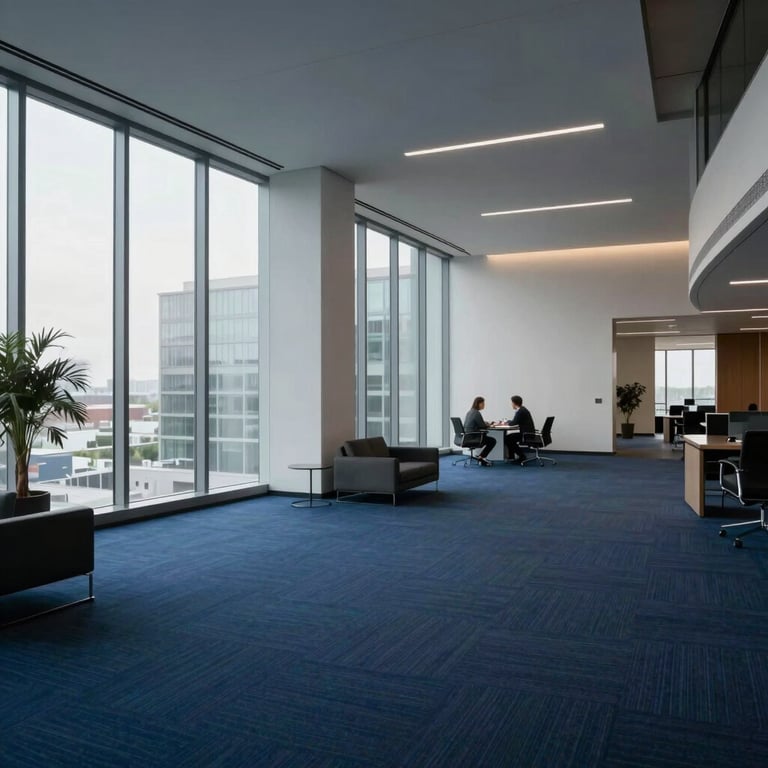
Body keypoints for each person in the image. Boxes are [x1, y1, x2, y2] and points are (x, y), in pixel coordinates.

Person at [463, 396, 496, 466]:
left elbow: (478, 423)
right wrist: (490, 425)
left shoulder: (470, 412)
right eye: (483, 404)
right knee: (492, 441)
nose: (484, 405)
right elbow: (482, 426)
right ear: (478, 404)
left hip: (467, 436)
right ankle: (481, 457)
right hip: (474, 437)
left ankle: (481, 457)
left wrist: (486, 423)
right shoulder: (476, 413)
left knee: (489, 439)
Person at [504, 395, 535, 464]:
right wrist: (509, 422)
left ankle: (521, 456)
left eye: (512, 403)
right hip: (526, 432)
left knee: (508, 439)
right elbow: (516, 421)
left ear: (514, 403)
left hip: (526, 434)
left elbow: (513, 423)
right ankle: (512, 456)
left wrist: (506, 422)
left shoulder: (520, 411)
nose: (511, 404)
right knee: (509, 438)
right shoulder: (522, 409)